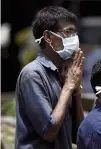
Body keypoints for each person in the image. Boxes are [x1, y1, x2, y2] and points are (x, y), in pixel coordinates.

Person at [15, 6, 84, 149]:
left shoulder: (64, 74)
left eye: (74, 33)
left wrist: (76, 92)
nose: (74, 38)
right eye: (68, 32)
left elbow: (78, 134)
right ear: (48, 37)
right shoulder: (33, 73)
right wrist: (68, 87)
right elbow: (49, 131)